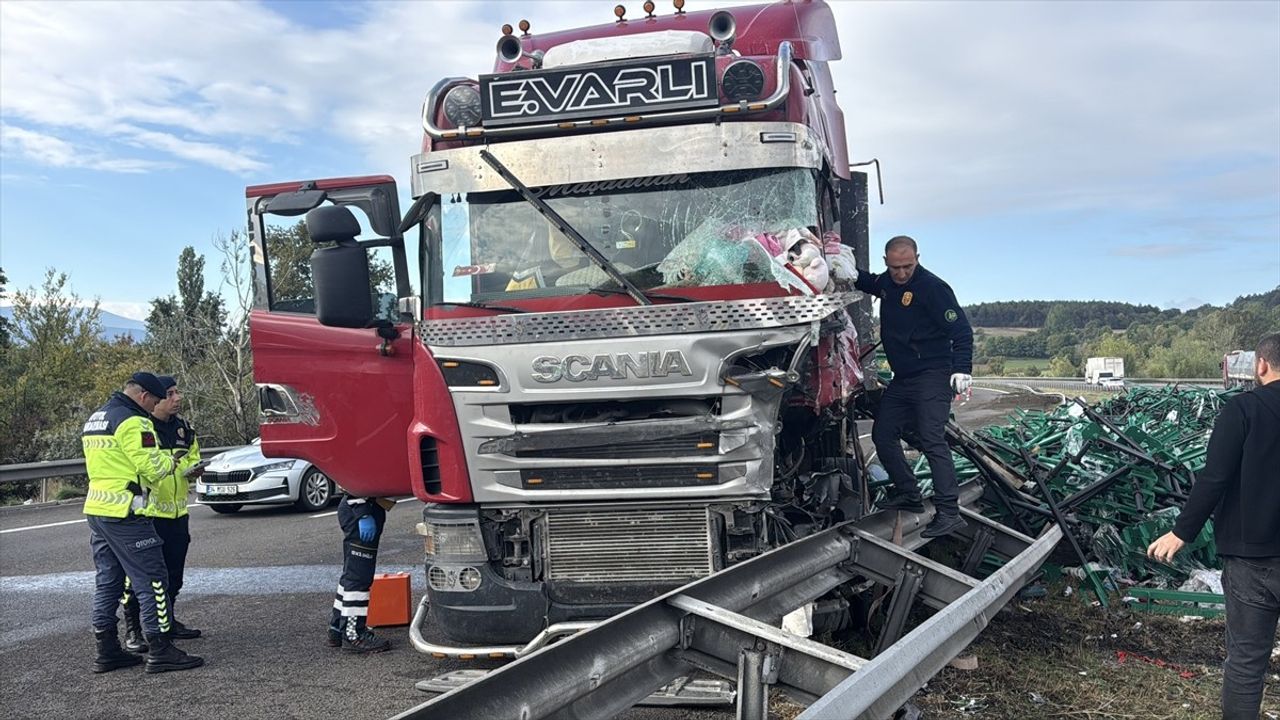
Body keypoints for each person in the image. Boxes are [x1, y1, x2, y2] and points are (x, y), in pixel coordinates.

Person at [1147, 332, 1280, 719]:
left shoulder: (1242, 410)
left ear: (1261, 365)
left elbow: (1214, 478)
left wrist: (1180, 532)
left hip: (1250, 560)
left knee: (1246, 662)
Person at [82, 372, 203, 674]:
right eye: (158, 398)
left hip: (98, 509)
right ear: (144, 396)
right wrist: (172, 462)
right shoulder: (134, 421)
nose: (159, 404)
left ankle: (107, 649)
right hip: (127, 511)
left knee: (108, 581)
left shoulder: (97, 417)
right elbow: (153, 466)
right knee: (154, 579)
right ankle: (161, 648)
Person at [854, 236, 974, 538]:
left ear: (917, 258)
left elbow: (961, 330)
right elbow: (871, 283)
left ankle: (949, 511)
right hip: (904, 377)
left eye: (908, 266)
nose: (902, 273)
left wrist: (962, 369)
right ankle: (909, 494)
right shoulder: (889, 283)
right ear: (886, 262)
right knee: (883, 434)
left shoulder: (933, 288)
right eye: (895, 267)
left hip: (934, 373)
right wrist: (851, 274)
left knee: (931, 436)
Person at [120, 375, 203, 653]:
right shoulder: (140, 427)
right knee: (140, 579)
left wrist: (192, 469)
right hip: (148, 513)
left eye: (177, 392)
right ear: (153, 400)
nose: (177, 398)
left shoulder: (184, 428)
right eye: (169, 393)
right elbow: (140, 466)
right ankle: (134, 629)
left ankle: (167, 623)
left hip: (178, 511)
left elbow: (191, 458)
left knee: (173, 576)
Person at [327, 494, 394, 653]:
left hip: (363, 508)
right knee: (359, 577)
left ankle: (337, 627)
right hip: (361, 510)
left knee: (351, 574)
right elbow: (352, 481)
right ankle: (353, 634)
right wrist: (363, 512)